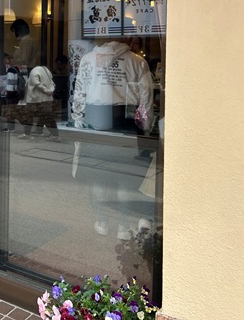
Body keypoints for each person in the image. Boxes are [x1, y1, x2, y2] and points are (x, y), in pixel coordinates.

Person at [71, 39, 154, 240]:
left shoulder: (88, 59)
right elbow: (146, 98)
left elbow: (79, 95)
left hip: (95, 122)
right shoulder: (137, 61)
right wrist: (145, 127)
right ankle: (123, 227)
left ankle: (102, 222)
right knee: (125, 178)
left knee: (98, 176)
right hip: (126, 123)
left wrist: (78, 124)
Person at [18, 65, 60, 141]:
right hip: (47, 99)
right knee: (48, 117)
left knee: (29, 117)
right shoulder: (47, 70)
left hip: (34, 99)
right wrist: (50, 91)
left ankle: (27, 134)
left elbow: (37, 84)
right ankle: (55, 135)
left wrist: (46, 91)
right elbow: (52, 83)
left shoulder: (34, 71)